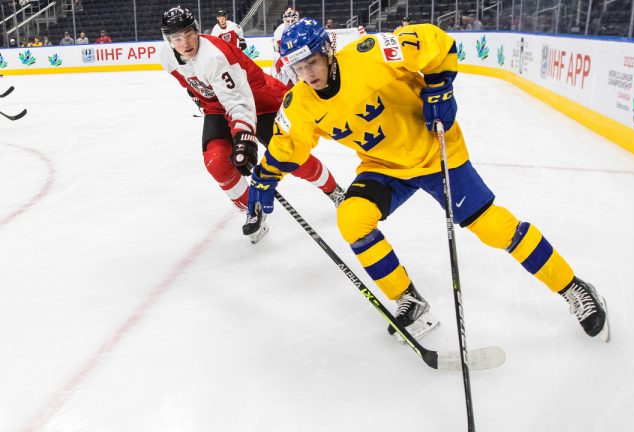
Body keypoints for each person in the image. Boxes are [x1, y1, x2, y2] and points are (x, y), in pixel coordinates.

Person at [248, 18, 610, 342]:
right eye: (298, 66)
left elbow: (432, 41)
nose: (307, 73)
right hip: (384, 166)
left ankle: (573, 288)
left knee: (494, 229)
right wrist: (265, 176)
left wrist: (440, 83)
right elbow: (288, 144)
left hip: (434, 154)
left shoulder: (370, 53)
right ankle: (408, 299)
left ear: (328, 52)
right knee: (352, 218)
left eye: (312, 62)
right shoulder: (299, 102)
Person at [159, 6, 344, 244]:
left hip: (259, 101)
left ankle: (332, 189)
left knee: (288, 155)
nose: (184, 42)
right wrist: (198, 98)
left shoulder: (214, 56)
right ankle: (252, 209)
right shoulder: (167, 57)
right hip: (219, 108)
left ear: (196, 31)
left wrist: (243, 140)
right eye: (176, 38)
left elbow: (239, 103)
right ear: (168, 40)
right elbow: (190, 82)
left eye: (188, 34)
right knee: (217, 163)